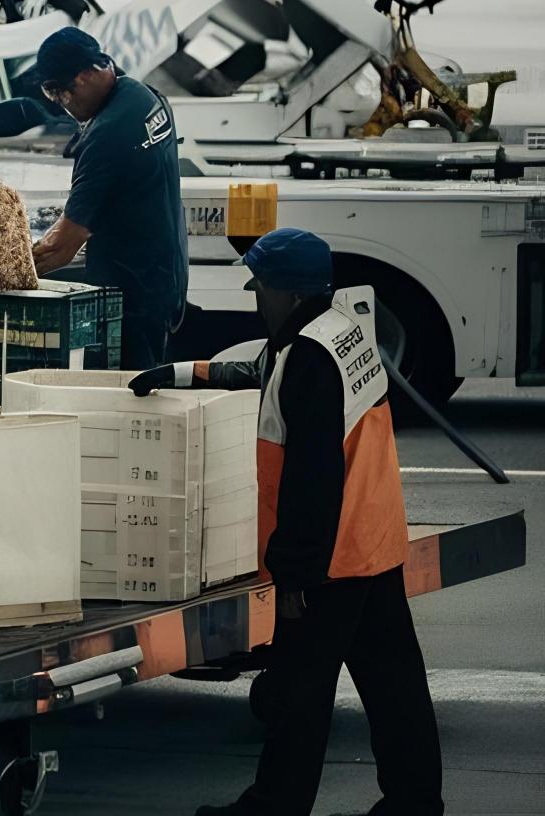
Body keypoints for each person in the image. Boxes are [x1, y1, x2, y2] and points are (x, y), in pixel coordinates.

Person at [131, 228, 437, 816]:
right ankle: (416, 802)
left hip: (330, 560)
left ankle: (273, 806)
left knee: (300, 691)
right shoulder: (340, 333)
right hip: (375, 545)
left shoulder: (309, 360)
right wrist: (175, 374)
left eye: (261, 287)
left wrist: (294, 575)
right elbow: (255, 370)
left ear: (288, 293)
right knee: (394, 686)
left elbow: (311, 478)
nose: (255, 297)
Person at [27, 27, 187, 367]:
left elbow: (61, 246)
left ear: (85, 75)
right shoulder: (144, 95)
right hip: (165, 276)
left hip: (131, 297)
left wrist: (7, 270)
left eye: (61, 95)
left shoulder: (106, 136)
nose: (63, 107)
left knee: (131, 394)